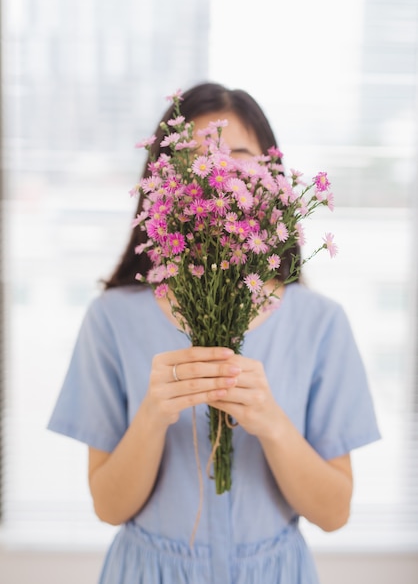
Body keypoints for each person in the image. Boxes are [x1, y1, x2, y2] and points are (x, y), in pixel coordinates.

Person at [48, 82, 381, 584]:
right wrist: (154, 415)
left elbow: (334, 513)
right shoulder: (111, 319)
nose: (218, 172)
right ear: (164, 187)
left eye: (239, 154)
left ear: (272, 180)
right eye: (199, 157)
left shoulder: (321, 323)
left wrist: (270, 420)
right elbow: (109, 506)